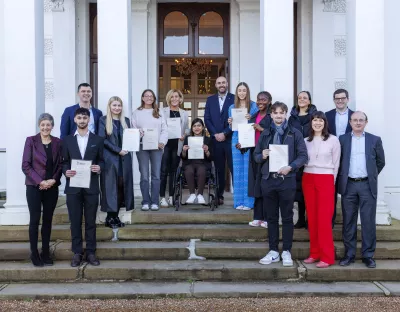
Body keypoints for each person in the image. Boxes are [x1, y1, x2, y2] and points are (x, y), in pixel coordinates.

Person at [254, 102, 308, 267]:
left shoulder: (295, 133)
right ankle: (273, 251)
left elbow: (303, 156)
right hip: (268, 181)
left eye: (281, 113)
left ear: (285, 114)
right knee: (271, 218)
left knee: (286, 217)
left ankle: (286, 251)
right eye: (275, 113)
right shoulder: (265, 134)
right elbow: (255, 156)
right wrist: (262, 155)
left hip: (287, 180)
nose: (278, 116)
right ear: (271, 115)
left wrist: (290, 167)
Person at [338, 111, 385, 269]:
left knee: (368, 221)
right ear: (350, 122)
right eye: (355, 120)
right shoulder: (342, 139)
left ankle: (368, 255)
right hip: (349, 185)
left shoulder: (374, 139)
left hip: (366, 185)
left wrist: (370, 175)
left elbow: (380, 161)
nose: (358, 123)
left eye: (361, 120)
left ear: (366, 122)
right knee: (348, 221)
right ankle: (349, 254)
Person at [62, 107, 104, 267]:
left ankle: (91, 252)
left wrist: (99, 168)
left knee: (91, 221)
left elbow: (102, 160)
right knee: (75, 221)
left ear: (89, 120)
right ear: (75, 120)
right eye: (79, 118)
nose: (82, 120)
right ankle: (77, 253)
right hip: (73, 188)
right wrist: (66, 171)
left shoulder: (98, 140)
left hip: (91, 187)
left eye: (84, 118)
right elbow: (64, 161)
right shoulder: (67, 140)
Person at [22, 113, 62, 267]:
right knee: (34, 220)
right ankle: (34, 253)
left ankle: (46, 252)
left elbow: (60, 164)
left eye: (48, 124)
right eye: (43, 124)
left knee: (47, 220)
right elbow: (25, 165)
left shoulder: (58, 142)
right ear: (39, 125)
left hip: (52, 187)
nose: (45, 127)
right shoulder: (31, 141)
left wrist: (53, 179)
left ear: (52, 126)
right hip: (34, 187)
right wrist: (40, 181)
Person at [302, 111, 340, 268]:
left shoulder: (333, 140)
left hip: (325, 179)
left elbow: (336, 164)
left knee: (324, 219)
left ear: (325, 123)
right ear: (311, 123)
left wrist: (332, 182)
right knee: (312, 218)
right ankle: (314, 253)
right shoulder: (305, 141)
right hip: (308, 178)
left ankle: (327, 256)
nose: (317, 123)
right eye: (314, 120)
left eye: (320, 121)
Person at [98, 96, 134, 228]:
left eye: (119, 105)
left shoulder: (126, 121)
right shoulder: (103, 120)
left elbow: (130, 137)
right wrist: (118, 150)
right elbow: (102, 140)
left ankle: (116, 216)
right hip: (110, 159)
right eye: (114, 105)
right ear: (109, 106)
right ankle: (110, 217)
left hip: (124, 159)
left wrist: (137, 135)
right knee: (110, 188)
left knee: (121, 186)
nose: (117, 108)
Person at [131, 89, 168, 211]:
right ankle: (145, 201)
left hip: (157, 147)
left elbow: (164, 129)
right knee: (144, 175)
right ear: (142, 98)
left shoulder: (159, 112)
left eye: (151, 96)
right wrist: (138, 132)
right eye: (146, 96)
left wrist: (162, 142)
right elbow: (133, 128)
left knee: (156, 175)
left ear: (154, 98)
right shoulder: (136, 113)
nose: (149, 98)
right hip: (142, 147)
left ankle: (155, 202)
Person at [288, 91, 317, 229]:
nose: (302, 100)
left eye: (305, 98)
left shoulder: (315, 116)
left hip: (312, 154)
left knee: (311, 190)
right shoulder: (292, 117)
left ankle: (310, 220)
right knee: (299, 190)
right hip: (296, 155)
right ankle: (300, 219)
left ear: (309, 101)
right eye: (299, 98)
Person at [325, 88, 354, 226]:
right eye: (337, 98)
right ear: (334, 100)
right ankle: (330, 220)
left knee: (348, 191)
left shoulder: (355, 115)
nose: (340, 101)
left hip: (350, 157)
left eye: (342, 98)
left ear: (348, 99)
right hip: (331, 156)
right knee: (331, 189)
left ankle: (348, 222)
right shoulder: (327, 115)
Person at [227, 82, 258, 210]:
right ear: (236, 92)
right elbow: (231, 127)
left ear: (247, 91)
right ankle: (239, 202)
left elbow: (258, 123)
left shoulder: (254, 106)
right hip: (236, 138)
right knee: (237, 169)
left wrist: (251, 118)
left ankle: (249, 202)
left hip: (249, 137)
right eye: (239, 90)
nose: (241, 93)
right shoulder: (232, 107)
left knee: (248, 170)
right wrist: (230, 123)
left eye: (244, 90)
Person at [204, 76, 234, 205]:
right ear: (215, 85)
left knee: (234, 168)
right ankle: (219, 195)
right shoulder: (210, 100)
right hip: (216, 140)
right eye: (219, 83)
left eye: (223, 82)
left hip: (231, 139)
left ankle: (239, 196)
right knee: (219, 169)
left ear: (227, 84)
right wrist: (215, 134)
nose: (221, 84)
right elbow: (207, 119)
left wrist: (225, 133)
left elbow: (237, 118)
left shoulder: (234, 98)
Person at [160, 89, 189, 207]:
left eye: (176, 97)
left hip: (177, 145)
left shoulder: (184, 113)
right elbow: (160, 126)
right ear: (169, 98)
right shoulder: (163, 111)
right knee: (163, 172)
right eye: (172, 97)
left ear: (180, 98)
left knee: (173, 172)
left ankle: (172, 196)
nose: (174, 99)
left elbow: (187, 128)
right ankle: (162, 197)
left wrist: (184, 135)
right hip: (165, 145)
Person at [248, 91, 272, 227]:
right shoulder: (253, 116)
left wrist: (261, 128)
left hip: (267, 155)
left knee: (267, 187)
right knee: (257, 186)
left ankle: (268, 218)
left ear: (269, 101)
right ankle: (258, 216)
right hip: (255, 154)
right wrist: (242, 145)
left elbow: (274, 133)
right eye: (259, 99)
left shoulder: (271, 116)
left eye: (264, 99)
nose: (261, 102)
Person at [181, 118, 213, 203]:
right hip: (190, 163)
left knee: (202, 170)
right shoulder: (187, 139)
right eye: (194, 126)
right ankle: (192, 194)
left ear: (203, 127)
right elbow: (183, 157)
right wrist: (184, 150)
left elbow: (211, 158)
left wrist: (207, 151)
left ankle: (200, 195)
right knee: (188, 170)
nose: (196, 128)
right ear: (192, 128)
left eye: (199, 125)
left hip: (203, 163)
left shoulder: (208, 139)